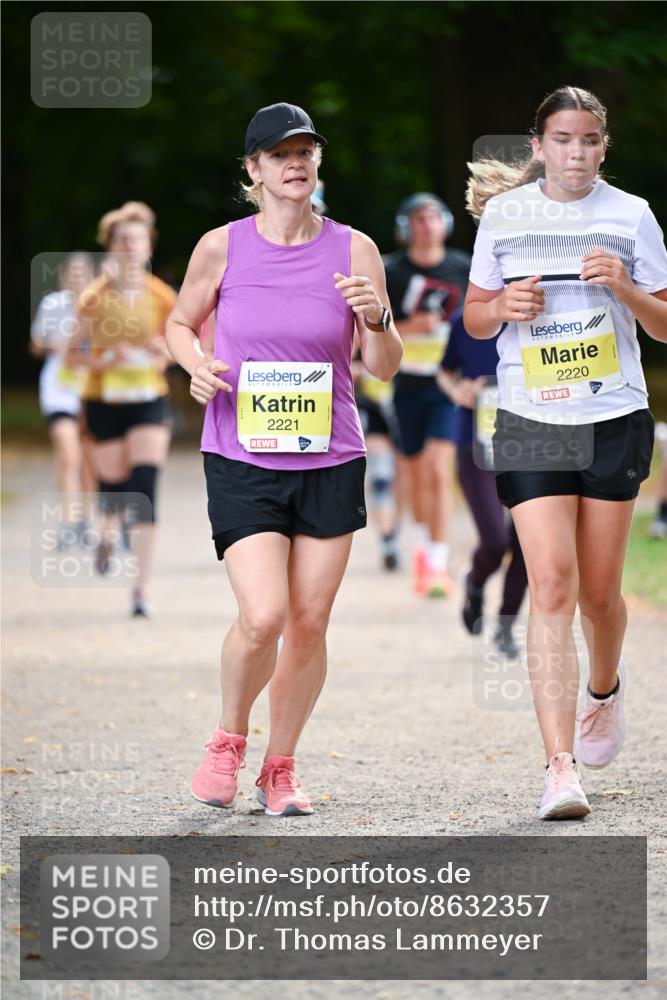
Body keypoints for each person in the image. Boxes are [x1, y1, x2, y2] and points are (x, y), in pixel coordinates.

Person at [165, 103, 402, 817]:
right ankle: (228, 739)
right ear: (253, 169)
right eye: (278, 154)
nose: (294, 162)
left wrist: (378, 319)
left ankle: (280, 767)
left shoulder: (355, 249)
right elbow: (178, 323)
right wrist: (195, 365)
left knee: (308, 621)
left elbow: (384, 367)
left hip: (330, 456)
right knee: (263, 614)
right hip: (241, 452)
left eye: (304, 151)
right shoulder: (222, 247)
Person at [464, 85, 667, 820]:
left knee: (599, 595)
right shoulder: (507, 216)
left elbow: (666, 324)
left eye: (587, 140)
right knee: (549, 583)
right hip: (530, 415)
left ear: (602, 147)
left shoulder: (631, 215)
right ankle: (558, 768)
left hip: (612, 414)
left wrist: (626, 290)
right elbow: (476, 316)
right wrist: (504, 309)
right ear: (538, 147)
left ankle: (604, 690)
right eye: (561, 139)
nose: (575, 152)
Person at [66, 201, 176, 617]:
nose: (131, 246)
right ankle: (108, 531)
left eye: (138, 239)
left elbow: (181, 347)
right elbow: (70, 355)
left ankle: (140, 590)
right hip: (104, 401)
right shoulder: (94, 297)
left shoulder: (162, 297)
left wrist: (160, 350)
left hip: (149, 399)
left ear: (149, 246)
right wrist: (103, 361)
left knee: (145, 483)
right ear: (110, 247)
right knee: (115, 485)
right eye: (123, 240)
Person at [384, 193, 471, 596]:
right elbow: (367, 331)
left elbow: (476, 325)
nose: (427, 225)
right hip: (406, 384)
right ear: (405, 227)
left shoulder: (463, 268)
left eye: (434, 216)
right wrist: (409, 326)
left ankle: (437, 562)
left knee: (439, 469)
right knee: (416, 472)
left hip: (446, 385)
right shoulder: (390, 271)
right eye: (418, 218)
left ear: (446, 223)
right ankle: (424, 546)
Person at [437, 309, 528, 656]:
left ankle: (505, 629)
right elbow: (444, 372)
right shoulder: (470, 319)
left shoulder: (545, 312)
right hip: (478, 444)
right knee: (495, 541)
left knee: (525, 544)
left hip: (532, 442)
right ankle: (475, 582)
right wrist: (458, 390)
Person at [30, 252, 97, 545]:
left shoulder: (99, 306)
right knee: (68, 454)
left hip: (91, 387)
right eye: (73, 273)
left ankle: (85, 520)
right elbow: (35, 344)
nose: (77, 279)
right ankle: (68, 522)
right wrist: (51, 345)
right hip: (58, 387)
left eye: (83, 274)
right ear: (63, 276)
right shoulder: (52, 304)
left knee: (90, 457)